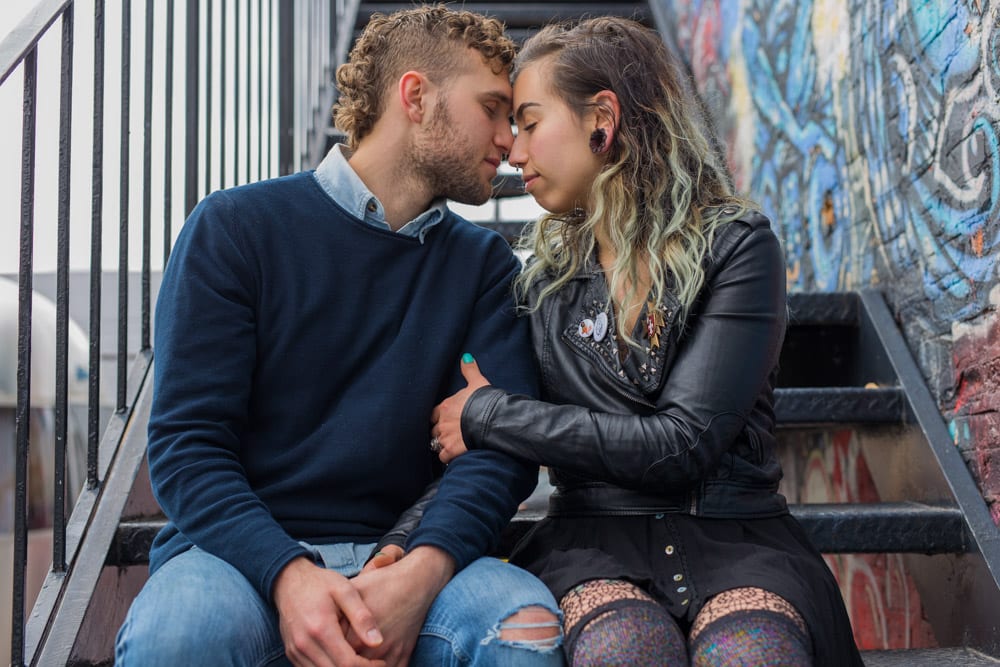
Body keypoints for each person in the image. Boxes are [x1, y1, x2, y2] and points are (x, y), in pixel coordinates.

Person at [115, 5, 565, 666]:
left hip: (409, 558)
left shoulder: (483, 266)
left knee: (523, 629)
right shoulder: (236, 230)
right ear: (415, 96)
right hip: (239, 563)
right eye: (494, 108)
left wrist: (421, 572)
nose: (509, 140)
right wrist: (289, 574)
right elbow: (187, 446)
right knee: (177, 638)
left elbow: (498, 453)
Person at [430, 16, 864, 667]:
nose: (514, 152)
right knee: (625, 649)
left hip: (736, 538)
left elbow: (684, 442)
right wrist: (403, 550)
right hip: (592, 545)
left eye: (529, 121)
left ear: (602, 119)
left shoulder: (738, 246)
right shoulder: (541, 276)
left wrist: (492, 414)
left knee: (755, 655)